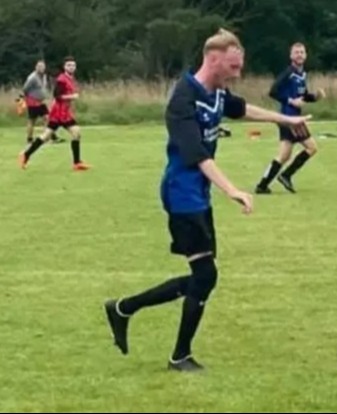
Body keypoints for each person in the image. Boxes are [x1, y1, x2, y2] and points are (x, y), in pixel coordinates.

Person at [104, 29, 312, 372]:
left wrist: (287, 118)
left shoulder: (217, 92)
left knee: (204, 276)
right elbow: (197, 155)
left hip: (197, 192)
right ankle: (177, 354)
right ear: (213, 59)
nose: (237, 72)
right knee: (205, 274)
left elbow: (243, 108)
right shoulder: (183, 99)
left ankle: (125, 309)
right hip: (181, 193)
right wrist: (232, 190)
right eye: (233, 66)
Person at [255, 43, 326, 194]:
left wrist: (315, 97)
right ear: (291, 56)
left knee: (283, 155)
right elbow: (273, 91)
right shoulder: (289, 72)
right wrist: (290, 101)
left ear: (306, 55)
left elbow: (303, 96)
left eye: (302, 52)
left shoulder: (302, 74)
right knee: (312, 148)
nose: (299, 55)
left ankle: (262, 185)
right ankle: (286, 175)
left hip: (290, 118)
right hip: (290, 118)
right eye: (296, 52)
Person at [19, 57, 89, 171]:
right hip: (59, 113)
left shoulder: (70, 78)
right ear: (64, 67)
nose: (71, 67)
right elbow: (57, 96)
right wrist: (72, 96)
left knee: (73, 133)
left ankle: (77, 163)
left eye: (73, 65)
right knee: (48, 136)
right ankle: (26, 155)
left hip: (65, 112)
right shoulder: (61, 79)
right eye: (69, 65)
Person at [22, 60, 63, 144]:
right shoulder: (32, 77)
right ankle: (29, 139)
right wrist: (30, 98)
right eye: (39, 66)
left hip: (41, 102)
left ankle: (51, 137)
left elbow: (42, 88)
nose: (41, 68)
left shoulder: (44, 76)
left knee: (47, 118)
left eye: (43, 67)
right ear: (36, 67)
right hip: (33, 102)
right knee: (32, 121)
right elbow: (25, 89)